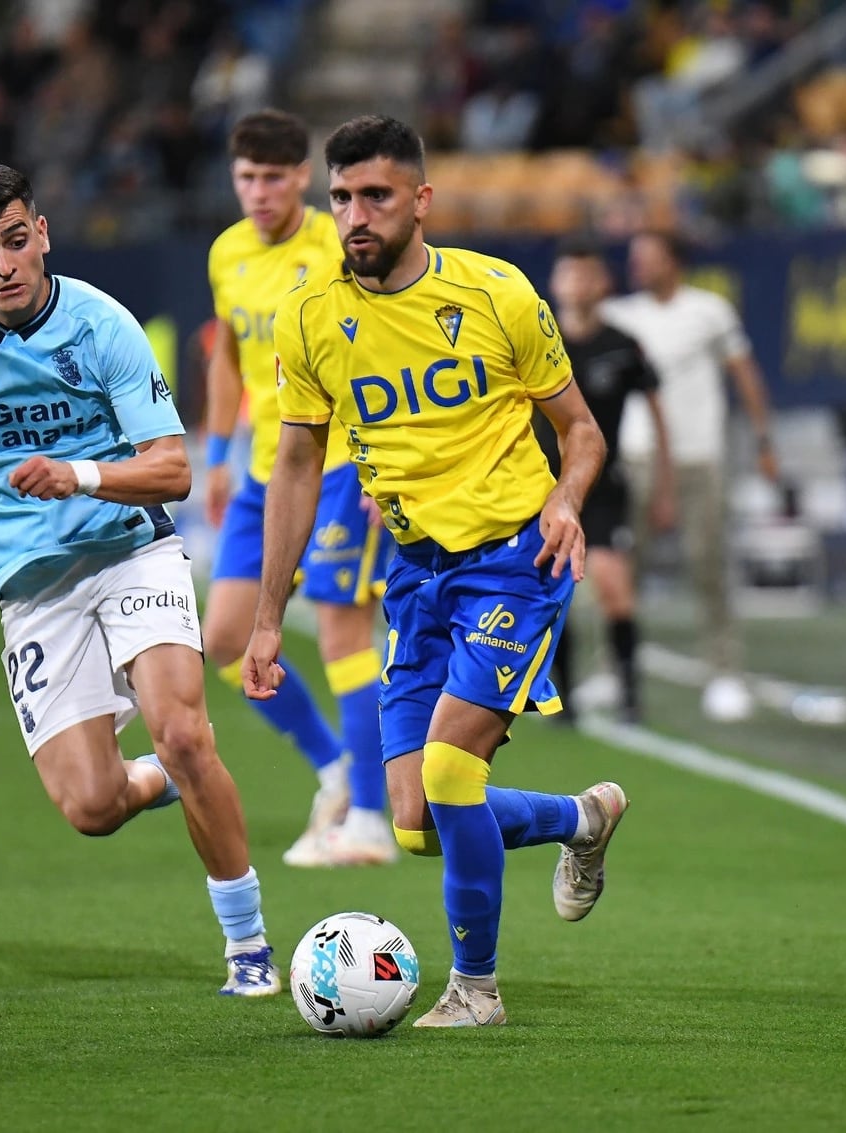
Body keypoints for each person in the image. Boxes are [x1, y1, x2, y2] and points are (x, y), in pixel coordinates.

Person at [240, 116, 629, 1028]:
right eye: (340, 198)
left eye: (375, 195)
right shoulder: (312, 317)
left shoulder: (497, 294)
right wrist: (267, 618)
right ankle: (581, 818)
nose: (354, 216)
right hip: (413, 577)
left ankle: (476, 989)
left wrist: (566, 499)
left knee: (453, 773)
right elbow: (295, 467)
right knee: (416, 819)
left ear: (421, 201)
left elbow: (581, 430)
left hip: (516, 563)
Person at [0, 163, 281, 997]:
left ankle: (249, 945)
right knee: (92, 806)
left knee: (188, 732)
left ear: (42, 232)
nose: (4, 264)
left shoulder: (101, 323)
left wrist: (81, 475)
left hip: (131, 549)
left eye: (16, 241)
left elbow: (170, 469)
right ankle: (159, 776)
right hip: (32, 589)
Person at [202, 110, 395, 868]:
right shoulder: (227, 253)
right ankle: (336, 769)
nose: (257, 192)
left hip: (342, 461)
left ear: (302, 178)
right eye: (245, 177)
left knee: (346, 634)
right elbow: (226, 355)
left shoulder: (336, 248)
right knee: (221, 638)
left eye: (272, 177)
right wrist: (216, 452)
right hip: (261, 471)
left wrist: (387, 462)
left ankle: (372, 821)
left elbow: (381, 354)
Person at [599, 229, 779, 722]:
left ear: (673, 261)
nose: (637, 266)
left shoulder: (709, 311)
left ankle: (724, 673)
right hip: (637, 455)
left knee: (709, 563)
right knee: (619, 569)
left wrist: (764, 439)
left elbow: (745, 374)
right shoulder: (619, 317)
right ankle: (614, 669)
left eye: (649, 256)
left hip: (699, 454)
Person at [530, 237, 673, 723]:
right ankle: (561, 699)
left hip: (604, 485)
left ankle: (630, 693)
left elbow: (657, 410)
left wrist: (665, 482)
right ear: (555, 283)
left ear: (604, 283)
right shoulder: (536, 339)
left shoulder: (621, 345)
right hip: (545, 488)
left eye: (587, 274)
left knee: (613, 586)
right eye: (569, 274)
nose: (578, 285)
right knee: (551, 592)